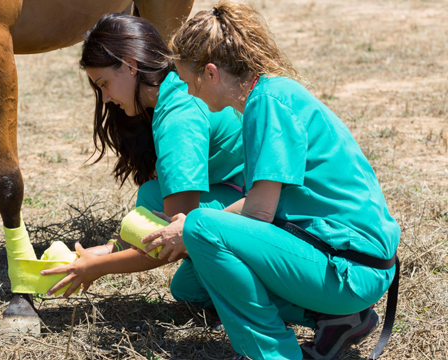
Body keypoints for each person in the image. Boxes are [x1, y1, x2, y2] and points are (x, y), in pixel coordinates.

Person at [136, 1, 399, 359]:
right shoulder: (269, 94)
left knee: (200, 230)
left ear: (211, 73)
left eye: (187, 82)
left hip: (349, 268)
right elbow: (263, 200)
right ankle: (339, 319)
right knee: (191, 280)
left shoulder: (267, 103)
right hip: (348, 258)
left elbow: (259, 212)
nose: (189, 94)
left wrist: (190, 229)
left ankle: (274, 354)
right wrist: (195, 231)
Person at [42, 13, 247, 312]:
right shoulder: (173, 87)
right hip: (240, 196)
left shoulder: (178, 117)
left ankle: (288, 297)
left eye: (104, 84)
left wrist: (100, 268)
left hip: (267, 212)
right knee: (187, 288)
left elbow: (175, 237)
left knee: (154, 204)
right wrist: (98, 254)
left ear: (130, 65)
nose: (106, 98)